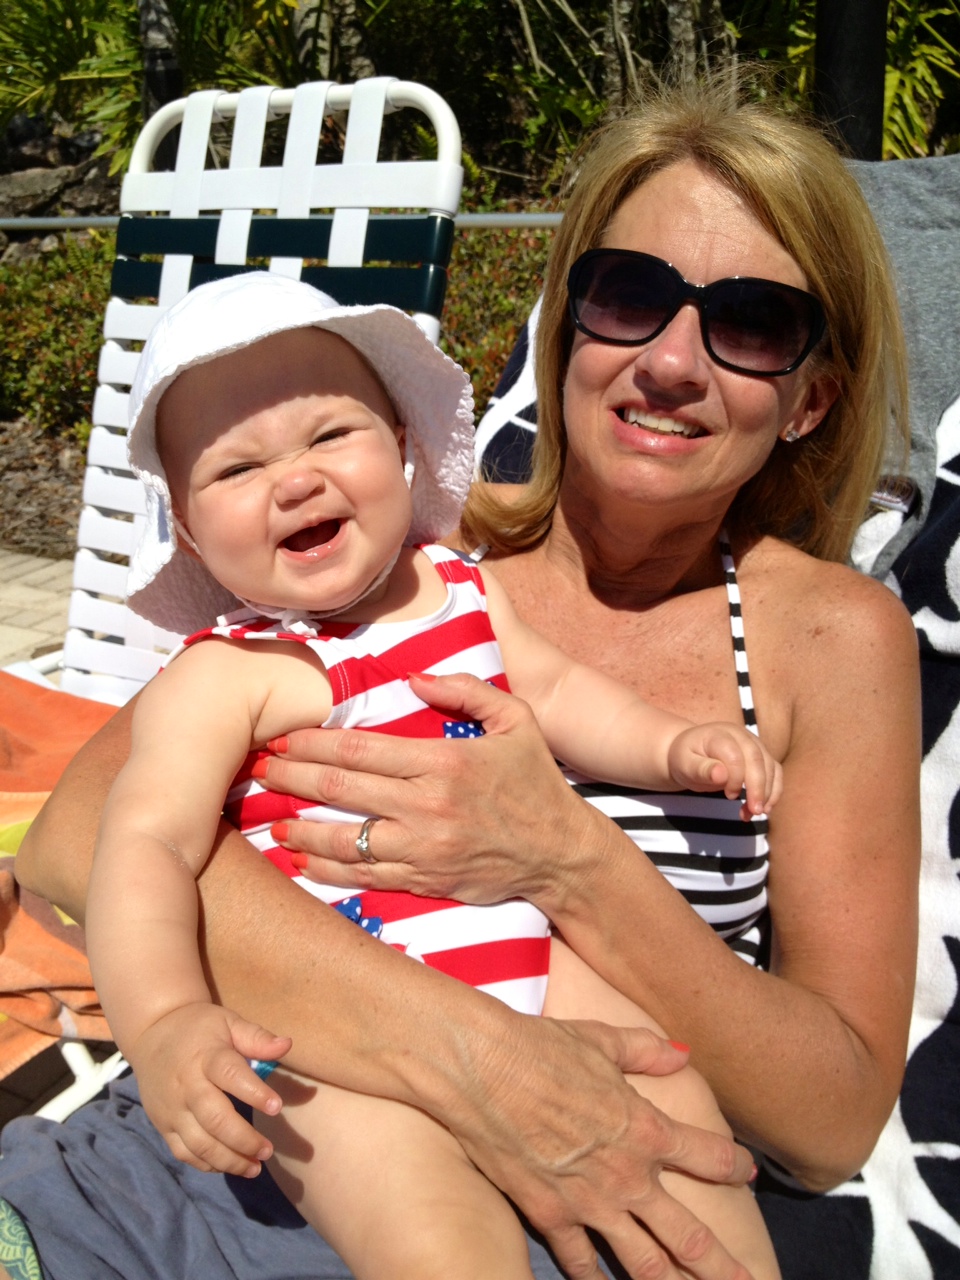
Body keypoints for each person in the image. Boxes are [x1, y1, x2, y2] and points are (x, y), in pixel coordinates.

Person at [9, 75, 921, 1280]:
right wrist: (467, 1054)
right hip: (295, 1116)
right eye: (630, 295)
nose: (671, 361)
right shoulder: (399, 553)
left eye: (751, 322)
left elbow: (833, 1112)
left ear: (811, 397)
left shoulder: (831, 638)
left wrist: (567, 857)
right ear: (567, 325)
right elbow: (81, 835)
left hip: (605, 1178)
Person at [86, 270, 781, 1280]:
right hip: (340, 1029)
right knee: (435, 1237)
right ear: (189, 531)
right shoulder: (224, 675)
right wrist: (163, 1021)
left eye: (331, 435)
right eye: (238, 467)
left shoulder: (458, 590)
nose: (295, 481)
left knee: (679, 1116)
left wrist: (674, 745)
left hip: (524, 952)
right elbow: (144, 843)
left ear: (404, 446)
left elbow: (565, 693)